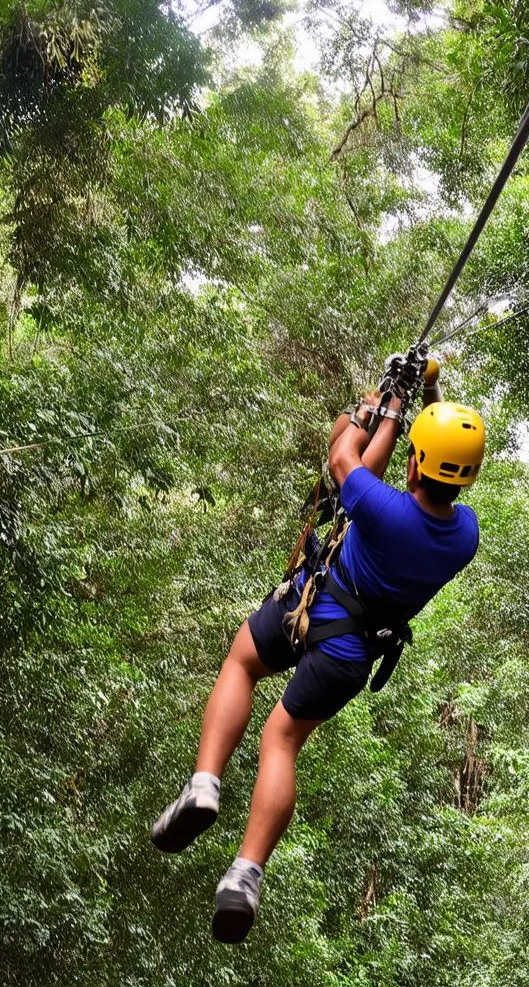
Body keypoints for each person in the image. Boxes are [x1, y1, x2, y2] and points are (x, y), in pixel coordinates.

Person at [150, 373, 484, 944]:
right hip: (353, 652)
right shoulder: (464, 535)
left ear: (413, 462)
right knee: (282, 740)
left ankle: (205, 781)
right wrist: (421, 397)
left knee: (241, 664)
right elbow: (424, 461)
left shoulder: (381, 508)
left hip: (306, 607)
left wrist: (379, 405)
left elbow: (345, 457)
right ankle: (245, 875)